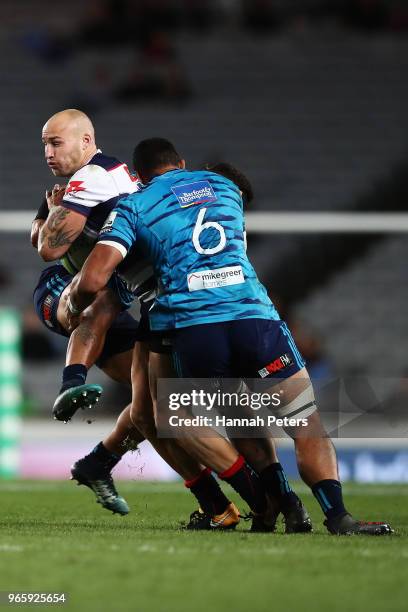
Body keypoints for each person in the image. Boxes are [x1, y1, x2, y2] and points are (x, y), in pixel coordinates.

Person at [68, 137, 393, 536]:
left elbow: (96, 278)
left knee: (199, 417)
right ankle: (337, 516)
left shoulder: (133, 206)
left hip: (195, 329)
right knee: (305, 424)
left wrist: (78, 295)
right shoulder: (223, 186)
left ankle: (275, 500)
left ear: (139, 176)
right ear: (182, 163)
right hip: (253, 318)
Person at [34, 111, 308, 530]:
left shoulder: (100, 183)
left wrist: (72, 290)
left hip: (168, 310)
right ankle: (262, 501)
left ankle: (260, 499)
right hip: (195, 307)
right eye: (45, 145)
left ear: (87, 140)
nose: (49, 153)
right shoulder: (182, 191)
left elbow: (54, 253)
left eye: (57, 143)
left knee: (163, 410)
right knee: (169, 408)